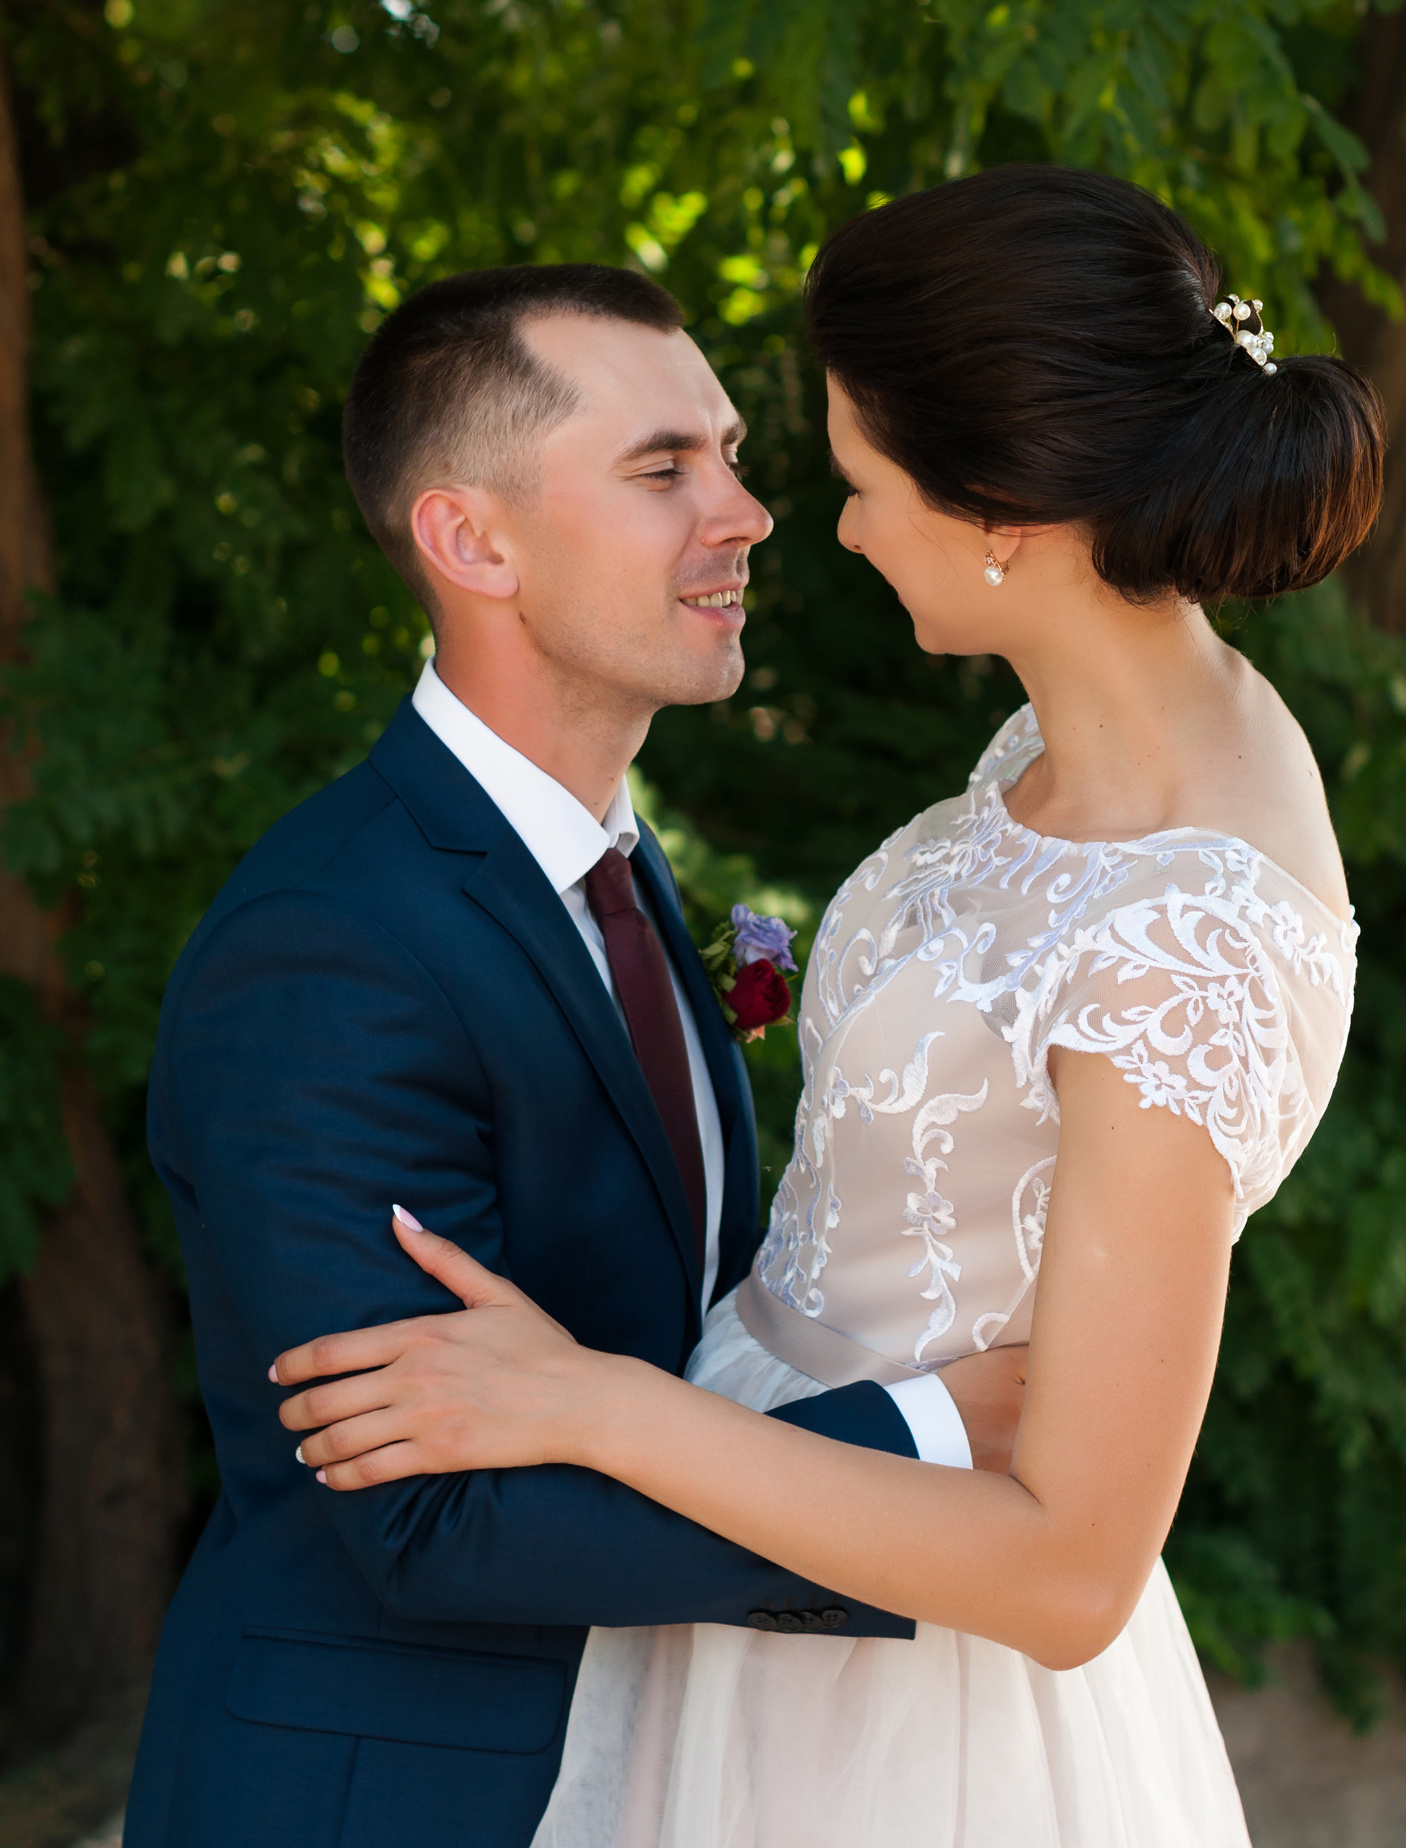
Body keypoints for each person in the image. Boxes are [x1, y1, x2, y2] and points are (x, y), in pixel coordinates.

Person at [273, 166, 1384, 1848]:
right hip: (770, 1559)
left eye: (859, 479)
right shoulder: (1084, 738)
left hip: (912, 1710)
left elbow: (1074, 1568)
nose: (834, 525)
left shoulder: (1185, 930)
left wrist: (588, 1404)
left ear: (1003, 502)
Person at [125, 262, 1023, 1848]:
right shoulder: (330, 943)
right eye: (663, 469)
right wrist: (938, 1447)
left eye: (733, 458)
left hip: (663, 1762)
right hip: (395, 1795)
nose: (744, 513)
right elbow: (431, 1516)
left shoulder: (617, 877)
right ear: (472, 541)